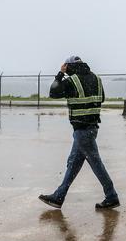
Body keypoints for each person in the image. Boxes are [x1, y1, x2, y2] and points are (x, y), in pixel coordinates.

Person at [39, 55, 121, 209]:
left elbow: (53, 93)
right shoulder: (96, 79)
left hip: (81, 130)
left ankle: (112, 196)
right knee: (73, 163)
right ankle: (58, 196)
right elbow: (101, 98)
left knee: (96, 163)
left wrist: (60, 73)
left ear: (69, 67)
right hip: (92, 127)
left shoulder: (73, 81)